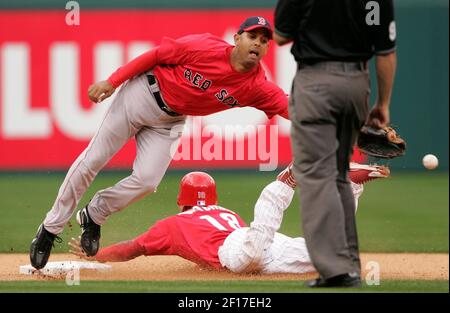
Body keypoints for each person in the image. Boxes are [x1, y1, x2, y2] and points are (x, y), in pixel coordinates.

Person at [29, 16, 290, 270]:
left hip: (170, 121)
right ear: (237, 38)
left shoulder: (258, 87)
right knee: (92, 160)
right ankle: (50, 229)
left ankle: (94, 214)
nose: (257, 43)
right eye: (252, 36)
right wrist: (113, 81)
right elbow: (155, 56)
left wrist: (324, 122)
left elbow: (293, 109)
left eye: (264, 40)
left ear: (268, 48)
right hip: (143, 94)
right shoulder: (205, 46)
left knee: (146, 181)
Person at [68, 163, 389, 274]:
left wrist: (98, 255)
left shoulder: (172, 225)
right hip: (263, 246)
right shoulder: (225, 213)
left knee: (257, 239)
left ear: (182, 200)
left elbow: (132, 249)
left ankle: (286, 180)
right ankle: (350, 188)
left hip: (243, 250)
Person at [273, 0, 397, 287]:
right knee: (338, 173)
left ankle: (335, 270)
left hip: (315, 80)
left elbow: (280, 35)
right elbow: (386, 53)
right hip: (357, 82)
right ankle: (348, 264)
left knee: (316, 173)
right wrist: (383, 104)